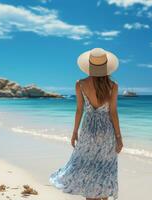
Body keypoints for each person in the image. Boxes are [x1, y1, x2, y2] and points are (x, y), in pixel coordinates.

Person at [50, 48, 123, 200]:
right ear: (106, 67)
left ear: (90, 66)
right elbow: (113, 112)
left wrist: (75, 132)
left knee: (86, 164)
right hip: (106, 131)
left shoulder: (80, 84)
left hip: (88, 129)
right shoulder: (113, 85)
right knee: (105, 166)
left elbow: (79, 110)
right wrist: (119, 137)